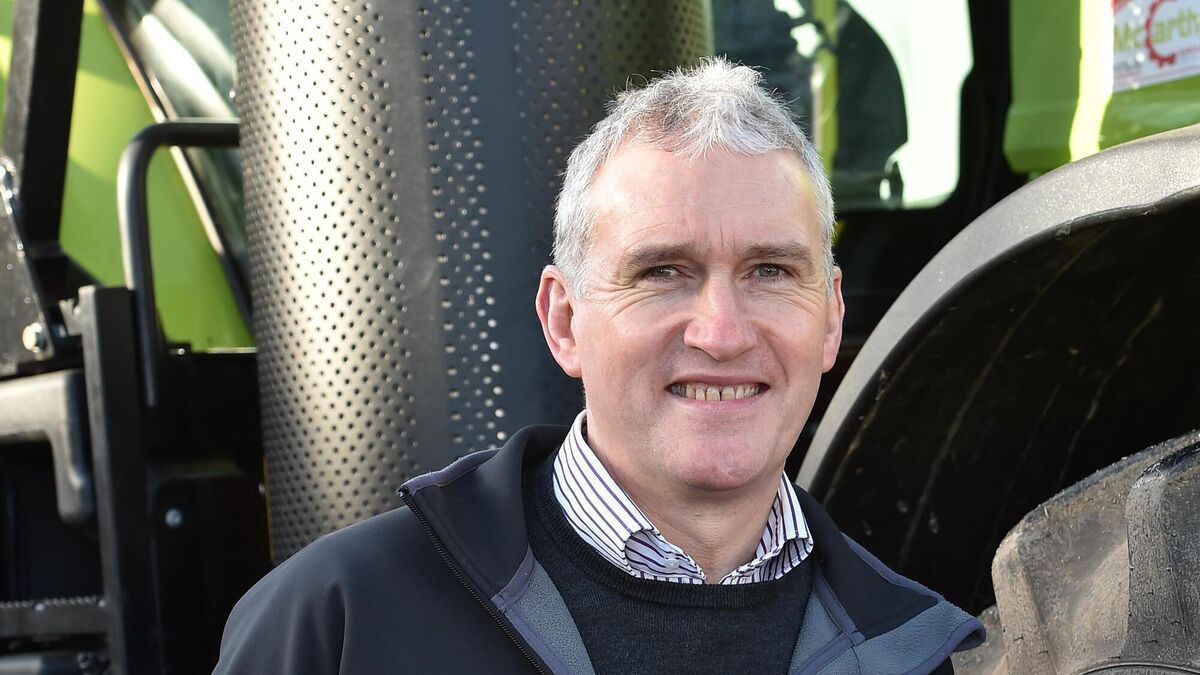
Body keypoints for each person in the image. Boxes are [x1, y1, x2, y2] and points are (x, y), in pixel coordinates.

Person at [214, 58, 983, 675]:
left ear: (831, 317)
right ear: (564, 320)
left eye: (771, 271)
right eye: (663, 271)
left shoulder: (919, 650)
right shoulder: (340, 622)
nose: (721, 333)